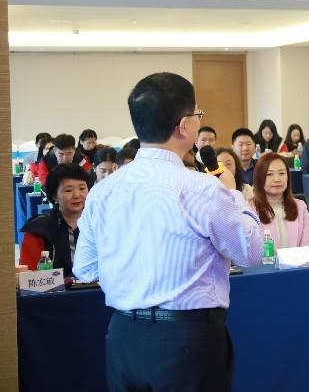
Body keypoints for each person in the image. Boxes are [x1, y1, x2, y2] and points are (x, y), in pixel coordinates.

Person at [74, 72, 262, 392]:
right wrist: (234, 194)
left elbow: (86, 267)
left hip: (123, 337)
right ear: (184, 125)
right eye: (197, 114)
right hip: (186, 341)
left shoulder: (104, 190)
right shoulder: (203, 189)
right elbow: (252, 253)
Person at [19, 163, 89, 277]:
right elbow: (29, 276)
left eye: (82, 188)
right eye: (68, 190)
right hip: (54, 288)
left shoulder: (98, 223)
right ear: (54, 196)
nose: (77, 195)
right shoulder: (38, 229)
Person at [250, 152, 309, 248]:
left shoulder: (300, 206)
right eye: (269, 174)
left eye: (282, 173)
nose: (277, 179)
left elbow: (307, 247)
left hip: (298, 258)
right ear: (259, 178)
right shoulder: (249, 209)